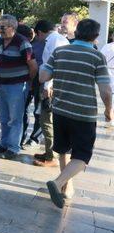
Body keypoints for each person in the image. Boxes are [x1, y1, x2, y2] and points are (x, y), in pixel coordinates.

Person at [40, 19, 113, 208]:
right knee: (82, 156)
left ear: (77, 31)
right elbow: (105, 90)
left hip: (60, 109)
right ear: (96, 37)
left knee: (63, 149)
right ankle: (57, 183)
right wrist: (109, 110)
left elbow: (43, 77)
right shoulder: (96, 57)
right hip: (83, 113)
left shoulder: (59, 51)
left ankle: (66, 186)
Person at [0, 15, 38, 160]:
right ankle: (4, 144)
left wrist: (27, 82)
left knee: (15, 118)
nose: (0, 30)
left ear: (13, 27)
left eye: (3, 27)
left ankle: (13, 148)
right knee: (3, 117)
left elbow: (33, 66)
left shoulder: (23, 42)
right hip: (2, 84)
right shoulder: (2, 41)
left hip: (17, 86)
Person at [33, 19, 70, 167]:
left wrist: (47, 85)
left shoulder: (53, 41)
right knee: (47, 119)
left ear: (40, 32)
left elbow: (54, 65)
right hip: (54, 84)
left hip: (52, 86)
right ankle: (49, 152)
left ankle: (52, 156)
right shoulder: (58, 39)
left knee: (47, 120)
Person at [22, 21, 49, 149]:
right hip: (29, 81)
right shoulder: (32, 44)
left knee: (39, 112)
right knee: (24, 110)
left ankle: (35, 138)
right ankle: (21, 136)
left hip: (41, 82)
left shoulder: (51, 44)